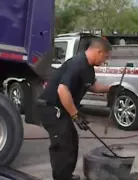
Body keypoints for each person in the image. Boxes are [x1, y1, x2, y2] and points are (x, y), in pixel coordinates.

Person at [38, 37, 112, 180]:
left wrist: (110, 89)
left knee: (71, 140)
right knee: (62, 144)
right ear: (98, 52)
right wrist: (75, 115)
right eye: (105, 57)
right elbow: (62, 90)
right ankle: (61, 177)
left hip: (62, 108)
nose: (105, 61)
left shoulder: (88, 67)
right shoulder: (77, 64)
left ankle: (67, 175)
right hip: (51, 108)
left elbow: (92, 85)